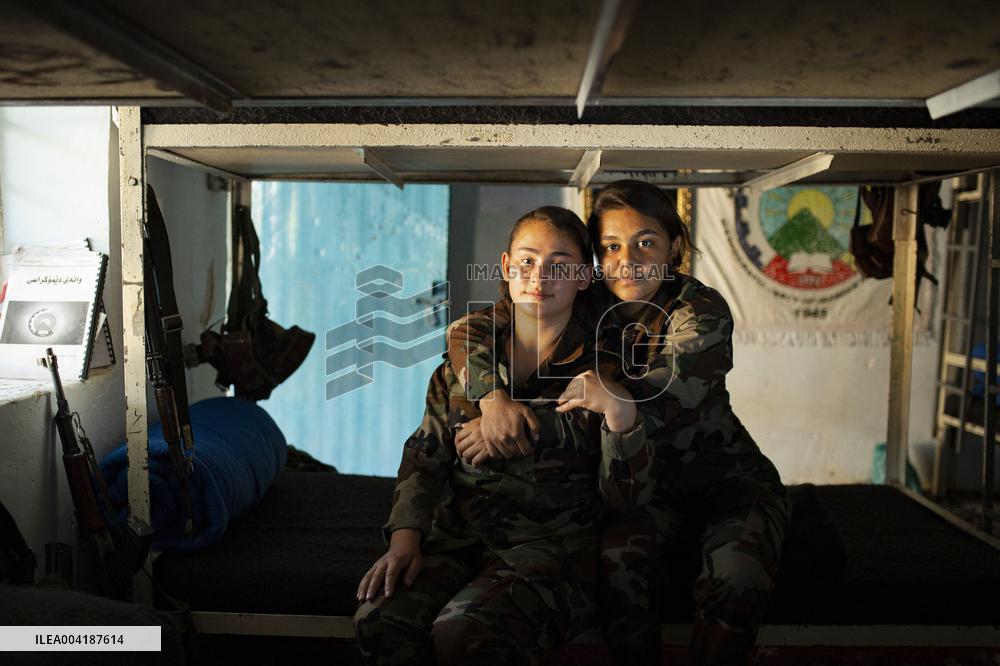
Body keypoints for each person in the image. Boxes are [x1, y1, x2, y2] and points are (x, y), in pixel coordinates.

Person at [446, 181, 791, 665]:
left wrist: (518, 427)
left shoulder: (699, 310)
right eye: (611, 246)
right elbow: (471, 328)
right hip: (645, 490)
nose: (626, 260)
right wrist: (493, 399)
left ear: (674, 248)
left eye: (645, 242)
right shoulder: (591, 303)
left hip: (727, 485)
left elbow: (653, 400)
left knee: (734, 576)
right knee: (618, 562)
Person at [353, 206, 655, 665]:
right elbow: (425, 456)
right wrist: (405, 542)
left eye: (560, 264)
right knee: (379, 620)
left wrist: (614, 417)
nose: (540, 276)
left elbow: (626, 493)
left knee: (464, 633)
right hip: (456, 540)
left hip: (549, 552)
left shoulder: (607, 368)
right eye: (528, 261)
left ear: (584, 277)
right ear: (505, 267)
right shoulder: (463, 364)